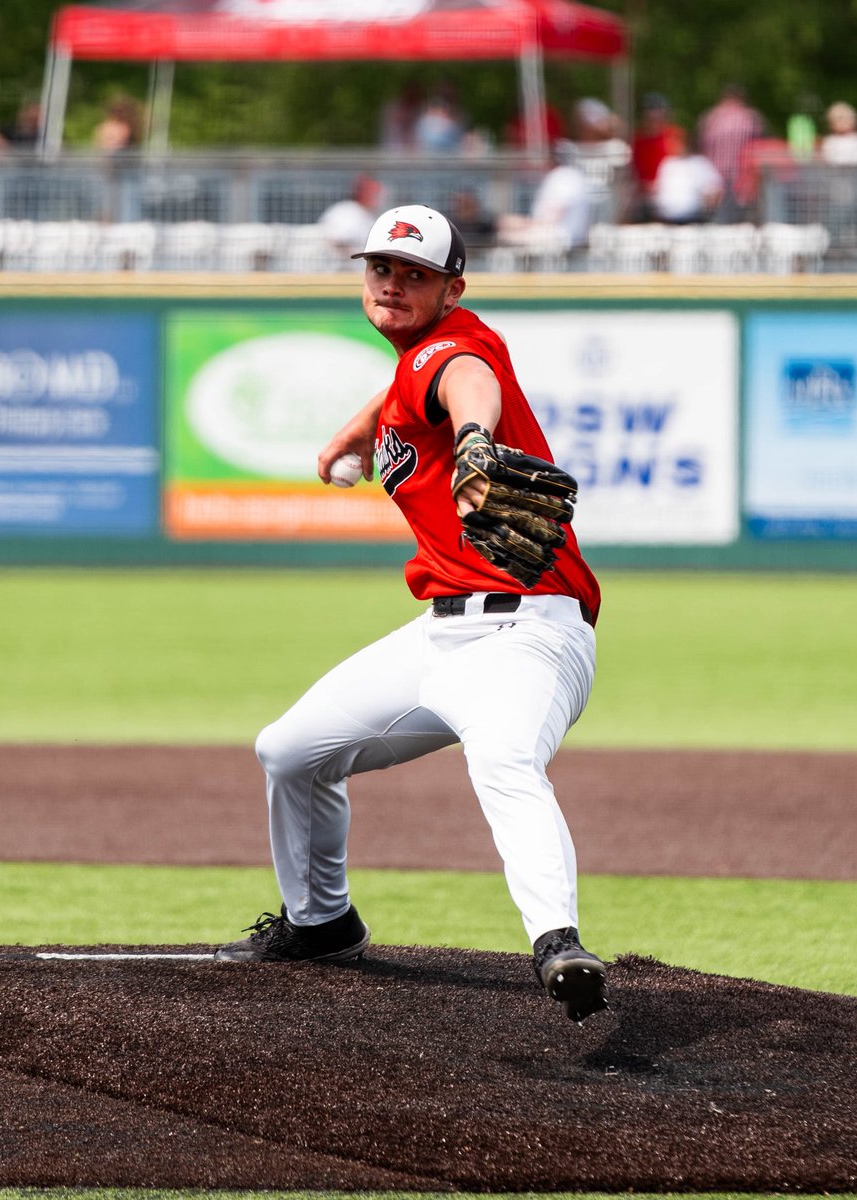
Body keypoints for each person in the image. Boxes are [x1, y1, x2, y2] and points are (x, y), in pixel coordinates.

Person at [214, 203, 608, 1026]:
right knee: (288, 750)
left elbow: (465, 380)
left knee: (502, 759)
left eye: (414, 274)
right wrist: (352, 436)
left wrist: (473, 439)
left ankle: (557, 942)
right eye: (381, 269)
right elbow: (404, 387)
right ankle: (321, 924)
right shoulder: (408, 364)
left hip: (530, 630)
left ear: (451, 289)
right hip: (440, 636)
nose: (392, 283)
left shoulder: (458, 348)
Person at [697, 84, 765, 222]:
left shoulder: (710, 118)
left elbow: (699, 147)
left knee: (717, 223)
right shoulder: (751, 118)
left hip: (713, 181)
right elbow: (762, 147)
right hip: (742, 181)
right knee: (741, 226)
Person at [630, 94, 686, 221]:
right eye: (650, 111)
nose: (654, 115)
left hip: (671, 195)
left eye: (658, 111)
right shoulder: (637, 141)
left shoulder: (674, 136)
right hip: (645, 196)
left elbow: (682, 167)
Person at [652, 132, 724, 224]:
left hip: (693, 218)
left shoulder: (700, 163)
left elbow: (715, 189)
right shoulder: (667, 164)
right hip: (666, 218)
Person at [317, 176, 384, 258]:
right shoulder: (347, 212)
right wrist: (354, 258)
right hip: (337, 268)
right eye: (375, 194)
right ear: (363, 193)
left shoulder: (368, 215)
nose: (379, 198)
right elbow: (336, 240)